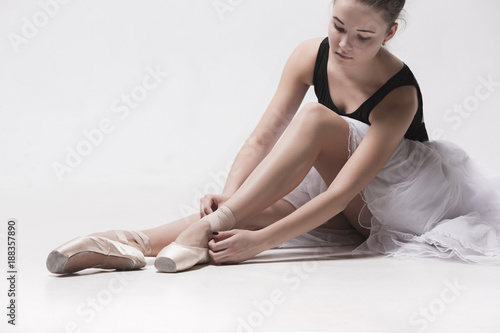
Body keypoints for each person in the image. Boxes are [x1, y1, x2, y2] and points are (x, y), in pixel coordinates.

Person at [46, 0, 500, 274]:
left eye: (364, 37)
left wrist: (259, 244)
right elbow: (263, 137)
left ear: (390, 33)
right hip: (339, 187)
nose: (344, 44)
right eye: (339, 25)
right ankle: (132, 241)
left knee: (314, 120)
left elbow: (344, 192)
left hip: (399, 203)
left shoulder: (399, 96)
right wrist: (230, 196)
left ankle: (205, 233)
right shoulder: (310, 55)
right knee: (253, 208)